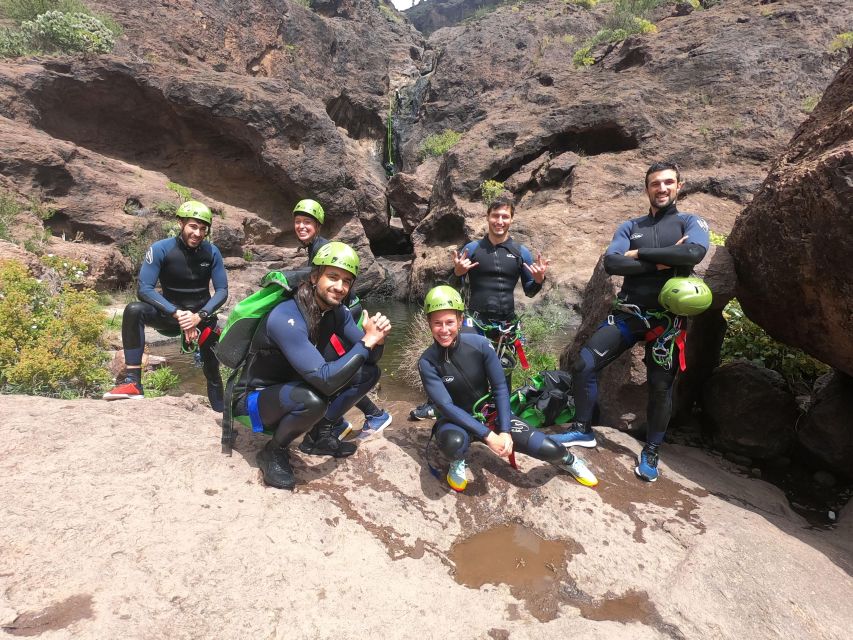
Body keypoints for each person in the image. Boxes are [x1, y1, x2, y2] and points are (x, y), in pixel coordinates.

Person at [552, 162, 710, 483]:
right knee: (584, 364)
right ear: (647, 188)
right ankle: (583, 430)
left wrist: (638, 255)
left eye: (668, 183)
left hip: (667, 322)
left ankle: (651, 450)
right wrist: (664, 261)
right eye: (655, 184)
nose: (661, 188)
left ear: (679, 186)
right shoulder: (630, 226)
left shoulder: (689, 222)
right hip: (630, 313)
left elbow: (693, 253)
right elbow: (612, 263)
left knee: (660, 387)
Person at [233, 242, 391, 490]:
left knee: (369, 373)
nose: (340, 287)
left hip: (294, 387)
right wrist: (367, 341)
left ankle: (320, 436)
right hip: (253, 400)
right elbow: (325, 380)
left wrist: (377, 338)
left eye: (347, 281)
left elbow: (369, 358)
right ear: (315, 276)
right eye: (333, 277)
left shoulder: (336, 312)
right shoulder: (287, 315)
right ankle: (273, 451)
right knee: (313, 399)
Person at [417, 285, 597, 492]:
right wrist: (488, 436)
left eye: (449, 322)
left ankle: (569, 460)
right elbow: (445, 406)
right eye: (437, 323)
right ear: (429, 324)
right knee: (453, 444)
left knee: (550, 449)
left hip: (490, 415)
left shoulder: (480, 345)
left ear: (460, 320)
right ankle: (458, 460)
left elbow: (500, 387)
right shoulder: (427, 362)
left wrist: (504, 430)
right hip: (455, 421)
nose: (444, 329)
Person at [410, 194, 550, 421]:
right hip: (475, 322)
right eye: (496, 215)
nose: (500, 221)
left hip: (506, 326)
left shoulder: (520, 252)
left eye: (505, 216)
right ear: (487, 217)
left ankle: (500, 415)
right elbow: (451, 287)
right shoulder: (473, 249)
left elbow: (530, 290)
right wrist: (457, 273)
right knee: (453, 361)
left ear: (512, 219)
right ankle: (438, 405)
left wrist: (540, 279)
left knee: (504, 371)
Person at [103, 201, 227, 410]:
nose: (198, 233)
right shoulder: (161, 249)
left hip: (202, 318)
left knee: (212, 370)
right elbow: (144, 289)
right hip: (170, 315)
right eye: (193, 226)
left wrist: (200, 315)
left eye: (203, 229)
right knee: (134, 310)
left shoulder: (211, 252)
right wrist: (177, 313)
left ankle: (220, 414)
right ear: (181, 223)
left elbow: (222, 291)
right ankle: (132, 382)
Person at [292, 199, 392, 439]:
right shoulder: (313, 248)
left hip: (344, 318)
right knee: (332, 371)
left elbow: (308, 279)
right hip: (338, 315)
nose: (301, 227)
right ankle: (338, 423)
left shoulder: (321, 249)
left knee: (338, 371)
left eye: (307, 222)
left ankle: (374, 415)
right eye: (297, 222)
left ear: (318, 226)